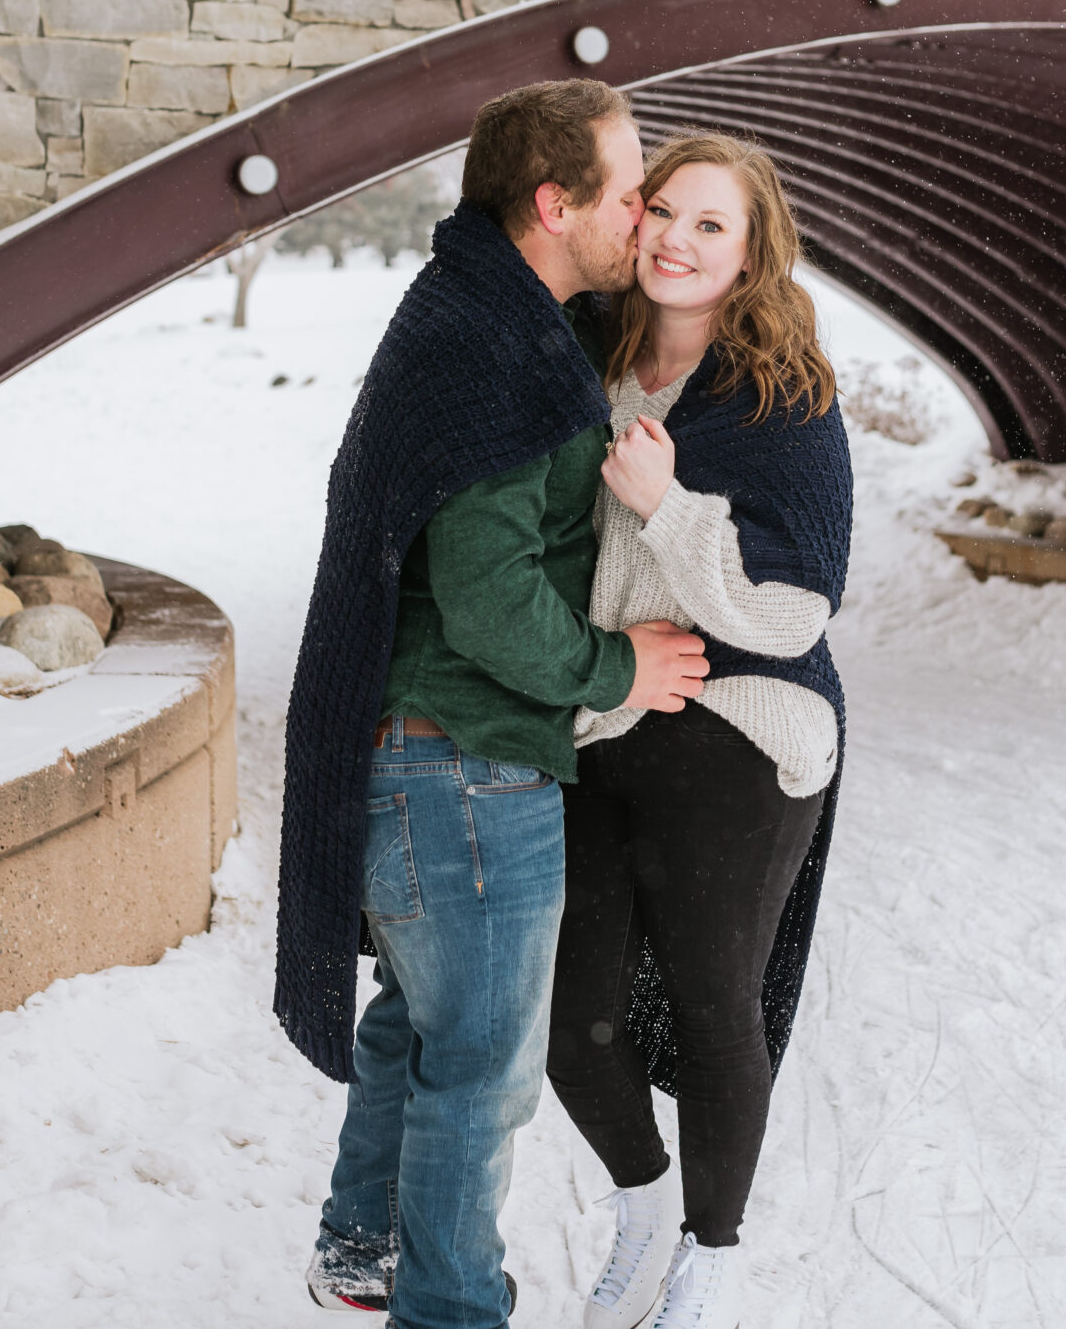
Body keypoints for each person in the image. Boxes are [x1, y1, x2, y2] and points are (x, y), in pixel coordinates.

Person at [279, 79, 713, 1329]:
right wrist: (617, 666)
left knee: (420, 1024)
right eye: (629, 193)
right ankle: (451, 1311)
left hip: (414, 760)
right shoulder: (499, 352)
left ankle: (363, 1246)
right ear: (552, 201)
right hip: (462, 771)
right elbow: (486, 596)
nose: (643, 218)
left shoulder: (487, 311)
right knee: (480, 1074)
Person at [548, 134, 854, 1329]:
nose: (676, 237)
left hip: (745, 727)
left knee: (714, 998)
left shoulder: (786, 399)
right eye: (663, 209)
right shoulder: (585, 361)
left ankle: (710, 1259)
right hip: (605, 718)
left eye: (710, 223)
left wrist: (670, 510)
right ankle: (641, 1199)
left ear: (753, 249)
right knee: (570, 1019)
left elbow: (794, 607)